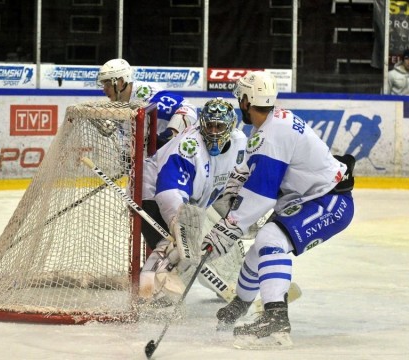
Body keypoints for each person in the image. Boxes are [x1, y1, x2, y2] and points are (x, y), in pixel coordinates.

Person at [200, 71, 355, 348]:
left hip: (329, 202)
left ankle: (276, 317)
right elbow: (252, 168)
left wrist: (228, 227)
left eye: (240, 98)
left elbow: (261, 194)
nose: (239, 102)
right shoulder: (270, 125)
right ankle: (240, 305)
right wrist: (237, 181)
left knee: (270, 239)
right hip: (310, 198)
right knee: (262, 245)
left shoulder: (271, 135)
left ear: (247, 101)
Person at [137, 97, 248, 305]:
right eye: (210, 126)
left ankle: (161, 291)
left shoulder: (239, 141)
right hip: (150, 193)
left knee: (202, 246)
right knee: (170, 247)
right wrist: (181, 225)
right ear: (202, 124)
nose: (214, 132)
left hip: (194, 200)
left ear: (231, 127)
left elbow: (237, 174)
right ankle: (147, 294)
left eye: (220, 126)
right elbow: (168, 192)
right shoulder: (189, 148)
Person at [96, 58, 198, 148]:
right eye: (103, 85)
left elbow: (189, 108)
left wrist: (169, 135)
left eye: (108, 84)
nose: (104, 90)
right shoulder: (119, 103)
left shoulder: (145, 95)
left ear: (122, 82)